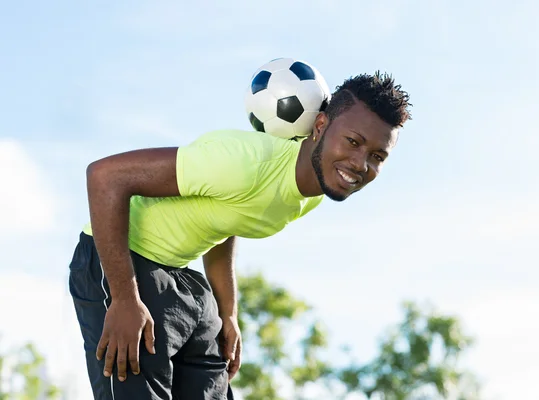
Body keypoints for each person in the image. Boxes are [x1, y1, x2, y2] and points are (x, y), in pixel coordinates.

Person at [68, 71, 412, 400]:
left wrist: (228, 311)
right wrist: (124, 298)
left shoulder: (315, 191)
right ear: (320, 126)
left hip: (183, 279)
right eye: (353, 142)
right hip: (119, 264)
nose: (360, 163)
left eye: (377, 156)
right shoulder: (245, 163)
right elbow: (105, 176)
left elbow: (228, 218)